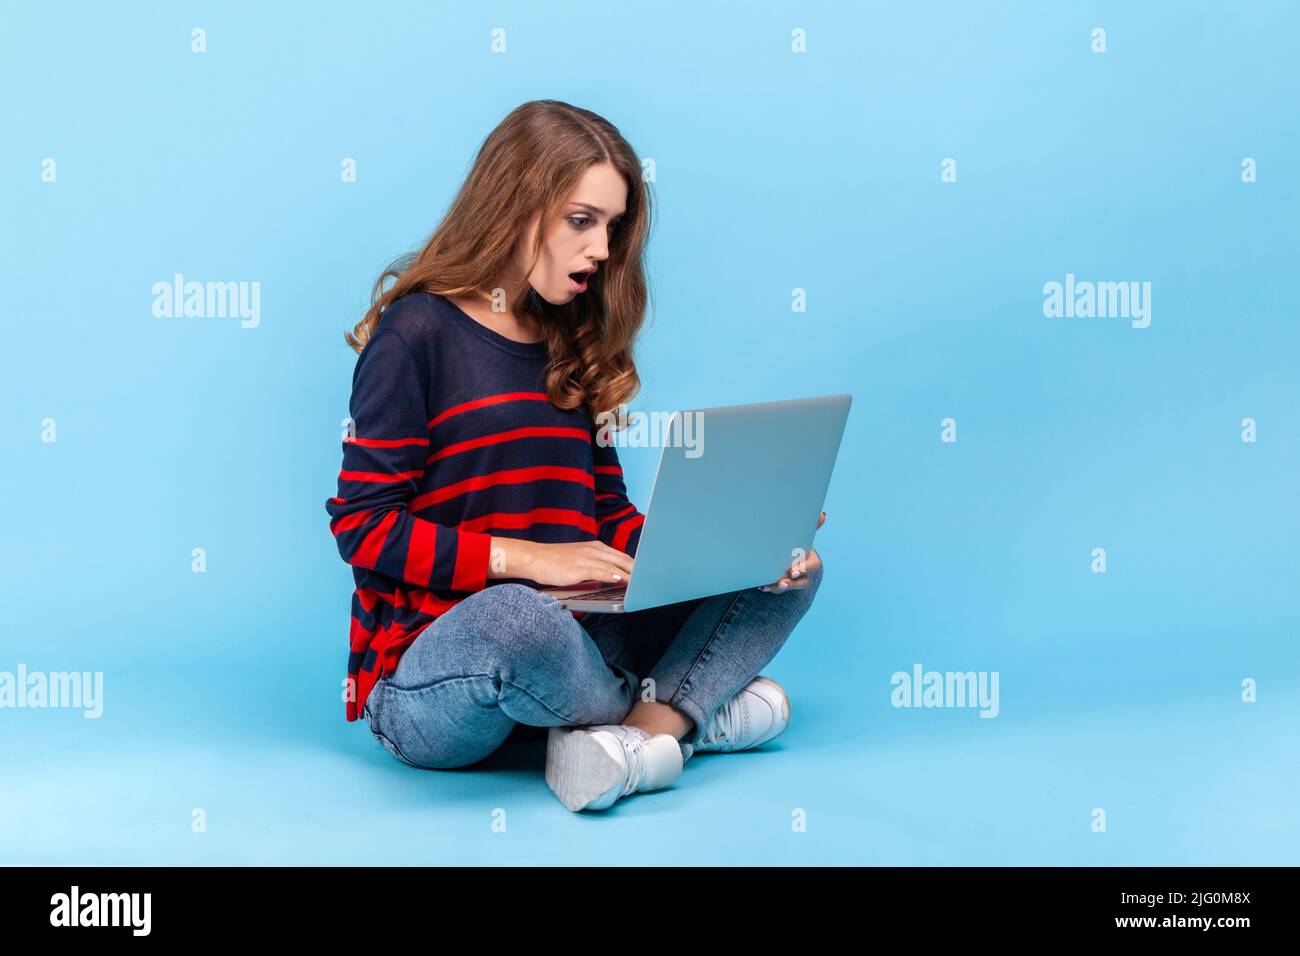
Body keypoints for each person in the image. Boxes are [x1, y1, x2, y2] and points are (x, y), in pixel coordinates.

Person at [325, 100, 824, 812]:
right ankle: (689, 711)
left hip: (578, 644)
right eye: (582, 221)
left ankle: (642, 738)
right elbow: (365, 530)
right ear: (514, 204)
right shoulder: (416, 336)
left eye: (613, 228)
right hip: (438, 677)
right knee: (517, 617)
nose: (602, 250)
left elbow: (606, 515)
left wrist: (724, 542)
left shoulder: (571, 337)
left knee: (786, 574)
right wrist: (529, 560)